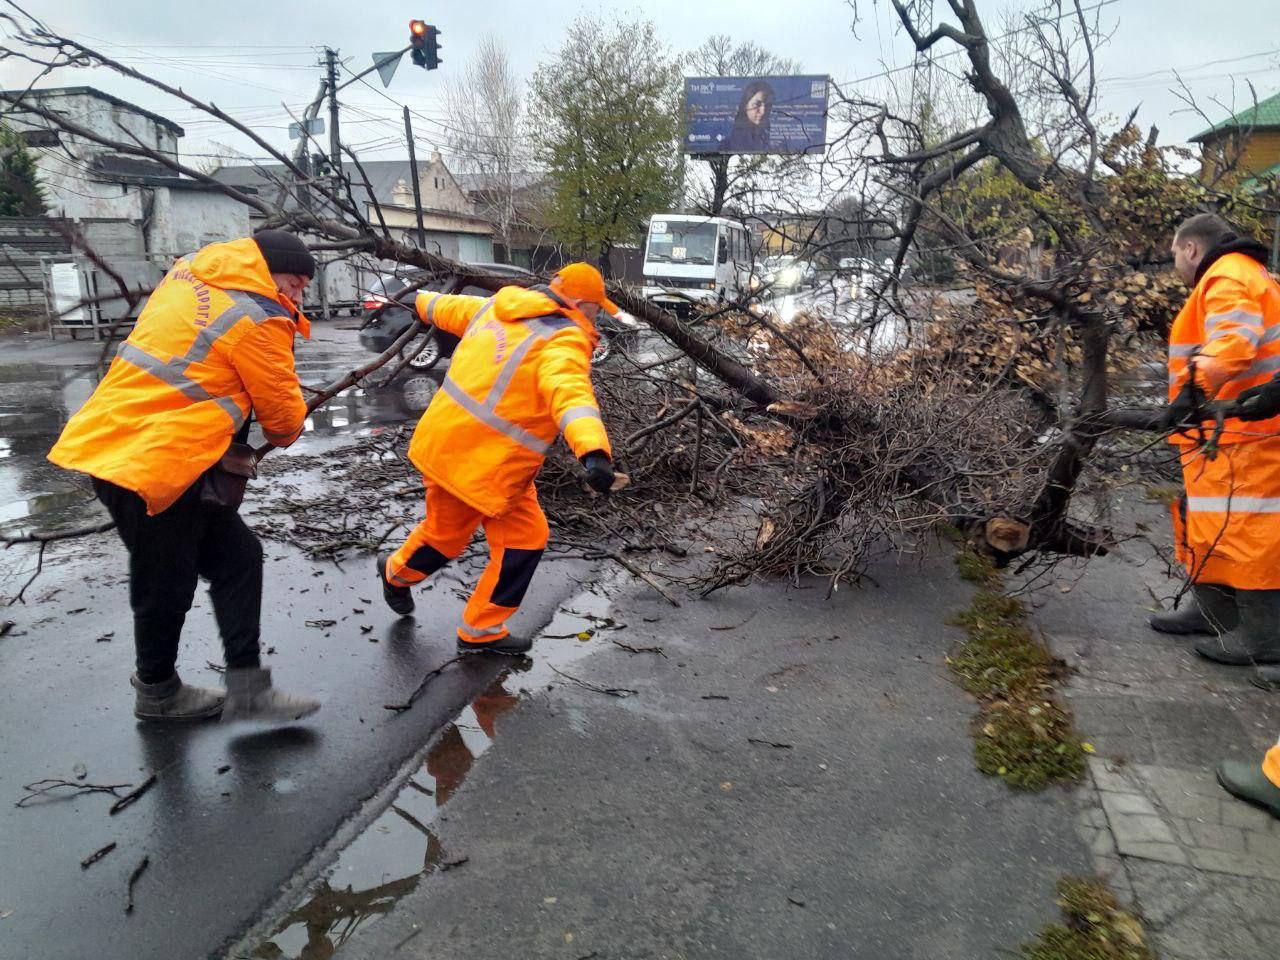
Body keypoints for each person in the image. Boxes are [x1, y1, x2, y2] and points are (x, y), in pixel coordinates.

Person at [47, 231, 322, 723]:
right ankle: (157, 691)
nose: (298, 297)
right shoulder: (258, 316)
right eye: (294, 284)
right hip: (156, 464)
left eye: (303, 288)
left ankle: (248, 691)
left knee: (239, 559)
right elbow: (283, 424)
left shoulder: (190, 273)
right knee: (165, 582)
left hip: (120, 441)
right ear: (266, 269)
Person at [375, 263, 617, 655]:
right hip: (488, 464)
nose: (597, 315)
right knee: (488, 539)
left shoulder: (498, 307)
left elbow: (444, 307)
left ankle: (404, 579)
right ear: (579, 302)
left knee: (458, 535)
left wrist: (411, 298)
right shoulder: (563, 338)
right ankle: (468, 622)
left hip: (452, 448)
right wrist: (593, 452)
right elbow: (570, 393)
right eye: (595, 308)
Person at [1149, 213, 1280, 683]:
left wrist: (1192, 386)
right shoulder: (1248, 275)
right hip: (1224, 434)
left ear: (1190, 249)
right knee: (1210, 523)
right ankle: (1213, 613)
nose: (1175, 268)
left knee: (1250, 533)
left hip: (1248, 435)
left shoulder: (1227, 275)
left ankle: (1265, 637)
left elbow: (1233, 343)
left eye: (1173, 257)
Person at [726, 80, 774, 153]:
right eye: (757, 104)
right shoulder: (731, 143)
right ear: (745, 105)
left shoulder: (768, 138)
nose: (762, 111)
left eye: (767, 105)